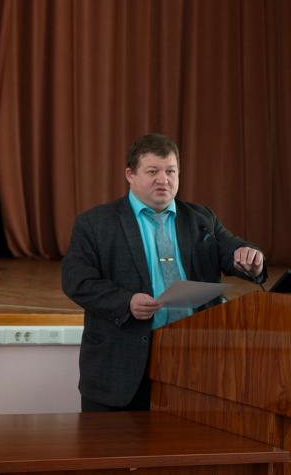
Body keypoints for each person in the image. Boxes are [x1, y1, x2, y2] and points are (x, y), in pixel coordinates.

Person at [62, 133, 266, 412]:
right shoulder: (95, 223)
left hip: (194, 366)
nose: (163, 179)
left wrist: (251, 258)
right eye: (152, 171)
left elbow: (234, 249)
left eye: (170, 171)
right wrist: (126, 302)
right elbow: (77, 281)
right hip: (120, 369)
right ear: (130, 175)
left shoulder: (201, 218)